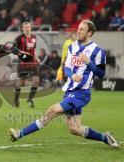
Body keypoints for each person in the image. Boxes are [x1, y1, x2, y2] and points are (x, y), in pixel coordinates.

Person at [9, 20, 119, 148]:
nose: (78, 31)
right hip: (70, 91)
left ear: (90, 33)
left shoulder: (98, 51)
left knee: (52, 110)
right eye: (78, 28)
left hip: (81, 93)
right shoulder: (72, 46)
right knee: (74, 128)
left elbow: (101, 74)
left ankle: (19, 134)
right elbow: (66, 67)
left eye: (82, 29)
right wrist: (72, 75)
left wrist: (89, 62)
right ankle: (105, 138)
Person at [13, 21, 39, 108]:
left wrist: (36, 58)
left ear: (31, 28)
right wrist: (22, 52)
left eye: (29, 27)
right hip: (23, 63)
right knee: (20, 83)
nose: (27, 28)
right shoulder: (19, 38)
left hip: (32, 63)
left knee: (36, 81)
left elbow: (33, 51)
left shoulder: (34, 37)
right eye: (25, 27)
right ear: (22, 29)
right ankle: (16, 99)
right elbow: (14, 50)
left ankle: (30, 99)